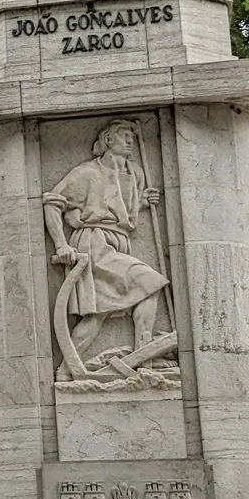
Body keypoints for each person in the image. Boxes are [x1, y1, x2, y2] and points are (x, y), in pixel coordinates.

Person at [43, 120, 170, 371]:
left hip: (120, 241)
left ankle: (67, 370)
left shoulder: (135, 173)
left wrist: (143, 202)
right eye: (124, 135)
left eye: (132, 136)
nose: (130, 140)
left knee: (96, 316)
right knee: (150, 283)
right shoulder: (88, 172)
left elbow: (119, 208)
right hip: (94, 244)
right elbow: (52, 203)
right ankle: (145, 356)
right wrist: (60, 245)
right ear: (109, 140)